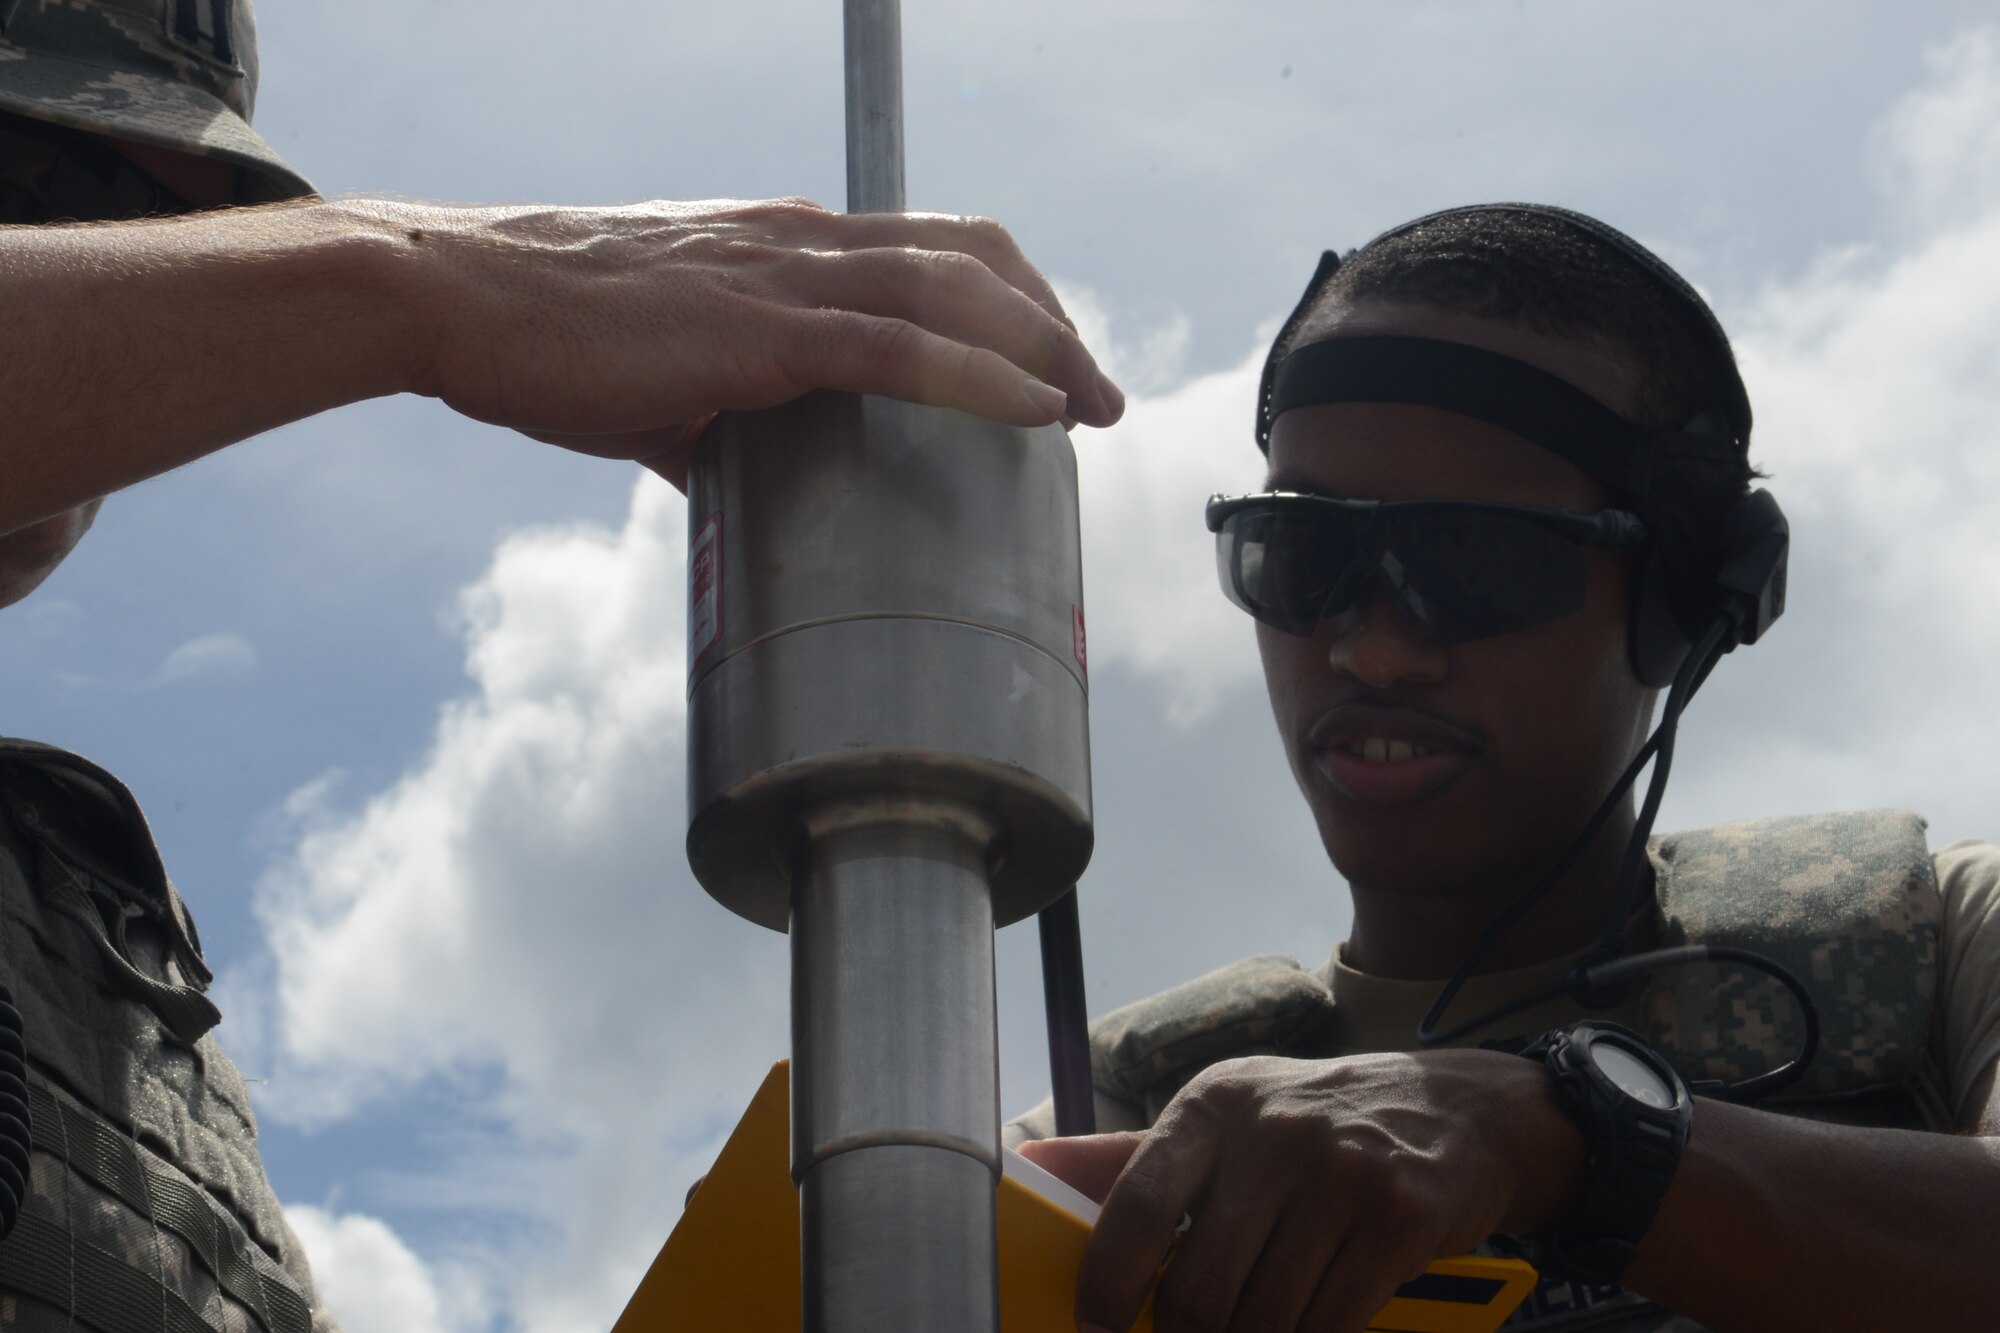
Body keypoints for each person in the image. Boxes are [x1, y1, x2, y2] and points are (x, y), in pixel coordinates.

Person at [0, 2, 1122, 1329]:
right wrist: (424, 284)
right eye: (48, 199)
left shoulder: (109, 970)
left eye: (165, 229)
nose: (118, 263)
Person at [1009, 206, 2000, 1333]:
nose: (1370, 648)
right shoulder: (1114, 1121)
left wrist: (1571, 1135)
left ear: (1681, 606)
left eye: (1474, 559)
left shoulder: (1934, 938)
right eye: (1301, 552)